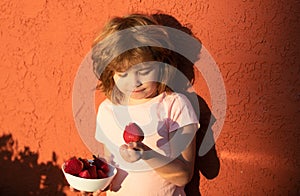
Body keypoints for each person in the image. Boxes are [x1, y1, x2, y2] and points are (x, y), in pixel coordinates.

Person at [80, 13, 200, 196]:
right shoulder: (107, 109)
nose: (134, 82)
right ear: (110, 74)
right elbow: (110, 167)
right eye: (123, 74)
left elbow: (183, 176)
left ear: (161, 65)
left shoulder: (174, 106)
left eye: (143, 71)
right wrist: (92, 181)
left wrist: (146, 154)